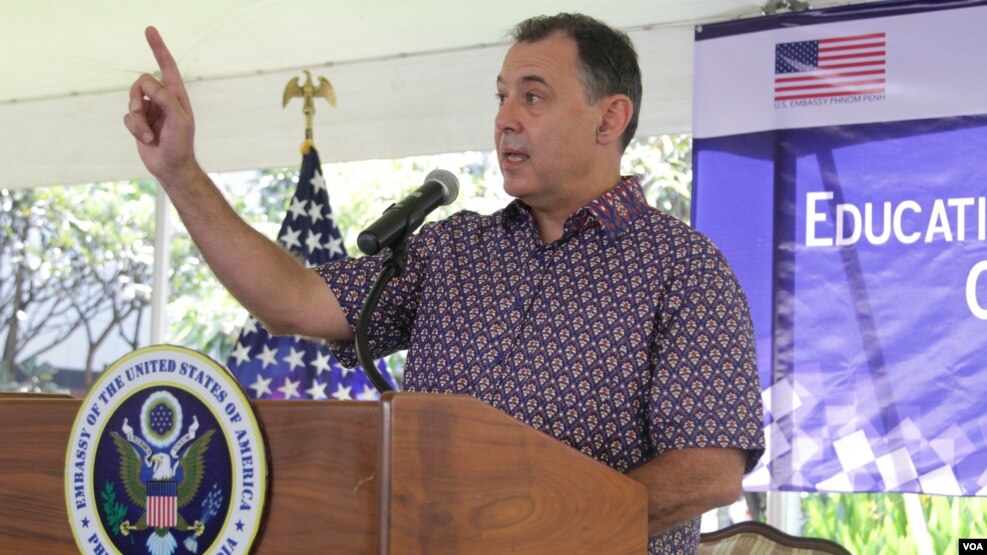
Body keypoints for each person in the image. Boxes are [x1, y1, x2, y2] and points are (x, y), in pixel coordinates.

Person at [124, 13, 764, 554]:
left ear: (609, 118)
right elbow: (294, 303)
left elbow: (708, 471)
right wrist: (180, 173)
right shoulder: (451, 249)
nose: (505, 119)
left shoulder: (683, 269)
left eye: (532, 96)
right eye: (501, 96)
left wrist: (536, 530)